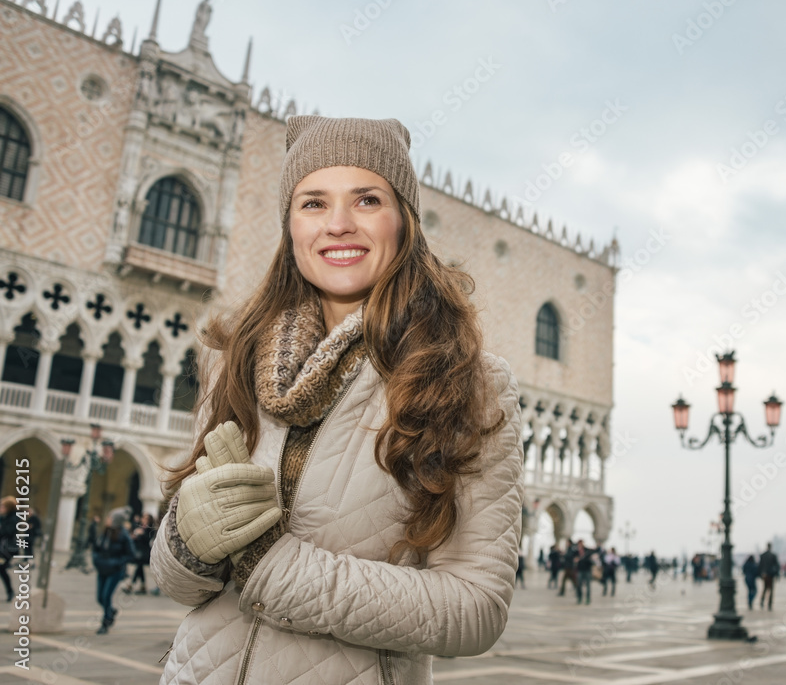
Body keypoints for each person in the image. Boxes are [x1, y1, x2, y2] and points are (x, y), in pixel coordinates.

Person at [150, 116, 524, 685]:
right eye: (314, 203)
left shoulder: (465, 384)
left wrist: (274, 567)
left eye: (367, 199)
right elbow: (181, 586)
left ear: (404, 222)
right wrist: (186, 543)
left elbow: (475, 610)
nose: (339, 225)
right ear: (290, 225)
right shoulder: (236, 361)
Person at [92, 508, 137, 634]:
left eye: (110, 518)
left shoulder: (123, 535)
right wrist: (96, 559)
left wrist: (117, 562)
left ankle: (105, 622)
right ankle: (110, 611)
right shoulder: (105, 532)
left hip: (115, 571)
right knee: (100, 598)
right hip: (102, 568)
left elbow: (131, 555)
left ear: (115, 520)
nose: (107, 519)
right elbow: (96, 548)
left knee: (106, 596)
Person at [123, 513, 156, 595]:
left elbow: (148, 539)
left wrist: (142, 534)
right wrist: (134, 537)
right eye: (143, 518)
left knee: (139, 566)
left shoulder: (150, 529)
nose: (144, 520)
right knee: (139, 566)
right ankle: (142, 586)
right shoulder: (139, 527)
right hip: (138, 551)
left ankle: (131, 585)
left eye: (146, 518)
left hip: (145, 552)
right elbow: (136, 539)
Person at [1, 496, 17, 602]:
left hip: (6, 550)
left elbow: (7, 532)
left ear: (8, 507)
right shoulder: (3, 517)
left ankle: (10, 592)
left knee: (1, 569)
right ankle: (10, 591)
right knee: (2, 570)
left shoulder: (14, 518)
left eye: (2, 506)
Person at [574, 540, 596, 605]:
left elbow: (592, 557)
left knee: (588, 586)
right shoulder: (576, 552)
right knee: (579, 585)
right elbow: (573, 559)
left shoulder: (587, 551)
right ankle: (579, 598)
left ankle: (588, 598)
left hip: (587, 570)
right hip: (580, 570)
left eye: (581, 543)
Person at [759, 543, 779, 611]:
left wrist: (760, 574)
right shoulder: (773, 555)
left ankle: (762, 601)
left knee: (764, 589)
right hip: (771, 575)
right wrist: (777, 575)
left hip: (765, 575)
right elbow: (776, 565)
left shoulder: (763, 555)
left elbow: (760, 565)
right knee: (771, 590)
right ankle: (769, 604)